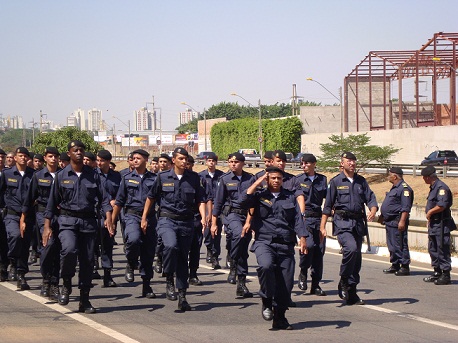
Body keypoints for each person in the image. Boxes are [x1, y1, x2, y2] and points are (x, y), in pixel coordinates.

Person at [43, 140, 113, 314]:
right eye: (76, 150)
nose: (79, 153)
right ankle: (66, 283)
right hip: (67, 221)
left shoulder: (93, 175)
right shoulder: (61, 176)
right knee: (68, 250)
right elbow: (52, 203)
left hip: (88, 223)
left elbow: (104, 199)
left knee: (88, 261)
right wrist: (47, 226)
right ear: (69, 153)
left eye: (81, 150)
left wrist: (109, 218)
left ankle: (85, 299)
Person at [240, 167, 310, 330]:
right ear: (267, 179)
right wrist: (258, 182)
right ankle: (266, 300)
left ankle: (280, 317)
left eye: (279, 178)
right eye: (273, 178)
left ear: (283, 179)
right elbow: (243, 199)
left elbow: (298, 220)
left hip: (285, 243)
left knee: (285, 283)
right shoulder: (259, 196)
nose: (276, 181)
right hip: (265, 242)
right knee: (266, 266)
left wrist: (303, 238)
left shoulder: (290, 197)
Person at [142, 147, 206, 311]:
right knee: (170, 246)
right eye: (181, 159)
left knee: (183, 258)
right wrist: (144, 218)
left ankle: (182, 295)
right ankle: (169, 277)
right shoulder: (163, 177)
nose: (184, 161)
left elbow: (200, 200)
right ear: (174, 161)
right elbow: (151, 197)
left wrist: (204, 216)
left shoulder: (194, 178)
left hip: (186, 222)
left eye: (186, 159)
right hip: (167, 219)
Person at [320, 152, 377, 305]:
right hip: (343, 223)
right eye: (348, 161)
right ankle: (344, 279)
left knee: (356, 259)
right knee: (350, 249)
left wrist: (373, 209)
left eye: (353, 161)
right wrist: (322, 227)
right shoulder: (336, 182)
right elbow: (327, 206)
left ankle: (352, 293)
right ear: (342, 163)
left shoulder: (361, 181)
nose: (351, 163)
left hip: (358, 224)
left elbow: (370, 198)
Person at [112, 149, 157, 298]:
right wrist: (112, 221)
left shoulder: (155, 179)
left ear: (146, 160)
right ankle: (131, 262)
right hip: (131, 215)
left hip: (150, 217)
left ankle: (146, 285)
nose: (135, 160)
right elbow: (119, 201)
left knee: (148, 252)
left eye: (138, 158)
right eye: (134, 158)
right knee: (133, 239)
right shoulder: (126, 178)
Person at [211, 152, 255, 297]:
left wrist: (250, 221)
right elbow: (218, 202)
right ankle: (234, 262)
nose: (233, 164)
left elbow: (254, 201)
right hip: (231, 215)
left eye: (236, 162)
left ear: (243, 163)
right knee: (238, 234)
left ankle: (241, 283)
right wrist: (214, 223)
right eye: (230, 162)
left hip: (247, 215)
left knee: (243, 249)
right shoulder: (224, 179)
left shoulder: (251, 179)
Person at [21, 147, 61, 300]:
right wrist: (23, 219)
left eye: (56, 156)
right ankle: (46, 280)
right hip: (42, 214)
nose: (53, 159)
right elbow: (29, 199)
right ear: (45, 158)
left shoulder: (62, 175)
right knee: (47, 246)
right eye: (50, 156)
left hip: (60, 216)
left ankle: (55, 283)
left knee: (58, 249)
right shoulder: (38, 176)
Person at [0, 147, 35, 290]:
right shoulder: (7, 174)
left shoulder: (33, 175)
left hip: (27, 215)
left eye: (25, 156)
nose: (23, 158)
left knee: (25, 246)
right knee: (14, 236)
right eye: (20, 155)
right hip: (11, 214)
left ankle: (21, 275)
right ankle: (10, 260)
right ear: (15, 158)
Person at [296, 153, 328, 295]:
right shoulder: (298, 180)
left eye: (307, 163)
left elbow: (328, 198)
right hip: (305, 218)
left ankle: (315, 284)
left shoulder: (322, 179)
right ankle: (303, 270)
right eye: (302, 164)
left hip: (318, 219)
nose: (304, 166)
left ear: (314, 164)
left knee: (319, 251)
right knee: (308, 246)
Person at [421, 165, 456, 285]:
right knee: (433, 248)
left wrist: (430, 212)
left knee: (442, 248)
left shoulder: (441, 187)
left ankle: (446, 274)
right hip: (434, 223)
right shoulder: (433, 187)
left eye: (424, 177)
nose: (423, 179)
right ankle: (437, 272)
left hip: (441, 223)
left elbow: (442, 205)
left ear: (428, 177)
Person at [380, 167, 414, 276]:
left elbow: (405, 207)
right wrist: (382, 215)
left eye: (389, 174)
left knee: (400, 244)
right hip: (389, 221)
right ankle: (395, 264)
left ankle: (404, 266)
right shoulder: (394, 188)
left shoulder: (404, 189)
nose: (388, 176)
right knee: (392, 244)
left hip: (397, 221)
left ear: (395, 176)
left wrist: (402, 221)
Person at [96, 150, 121, 288]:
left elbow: (122, 195)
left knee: (107, 244)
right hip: (95, 214)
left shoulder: (117, 177)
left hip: (112, 214)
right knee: (91, 245)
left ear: (108, 161)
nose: (99, 163)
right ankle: (92, 269)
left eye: (102, 160)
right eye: (98, 160)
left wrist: (115, 202)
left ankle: (107, 275)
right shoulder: (92, 175)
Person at [199, 152, 224, 270]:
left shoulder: (222, 176)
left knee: (217, 233)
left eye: (213, 161)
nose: (211, 163)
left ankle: (215, 257)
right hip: (205, 207)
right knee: (207, 231)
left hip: (219, 208)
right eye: (209, 161)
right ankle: (209, 247)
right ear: (206, 162)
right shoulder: (201, 176)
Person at [186, 155, 207, 285]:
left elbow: (202, 199)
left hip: (194, 217)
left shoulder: (197, 179)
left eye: (188, 163)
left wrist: (204, 217)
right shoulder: (171, 178)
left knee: (195, 246)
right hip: (180, 218)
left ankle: (193, 273)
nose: (185, 165)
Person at [153, 153, 173, 274]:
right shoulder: (153, 177)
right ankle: (159, 257)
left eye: (165, 162)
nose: (162, 164)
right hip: (156, 212)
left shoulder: (170, 177)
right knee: (159, 239)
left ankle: (165, 261)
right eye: (160, 162)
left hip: (166, 213)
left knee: (167, 240)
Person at [0, 149, 10, 281]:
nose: (0, 159)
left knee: (4, 241)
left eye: (2, 157)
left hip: (5, 210)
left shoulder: (8, 174)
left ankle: (3, 267)